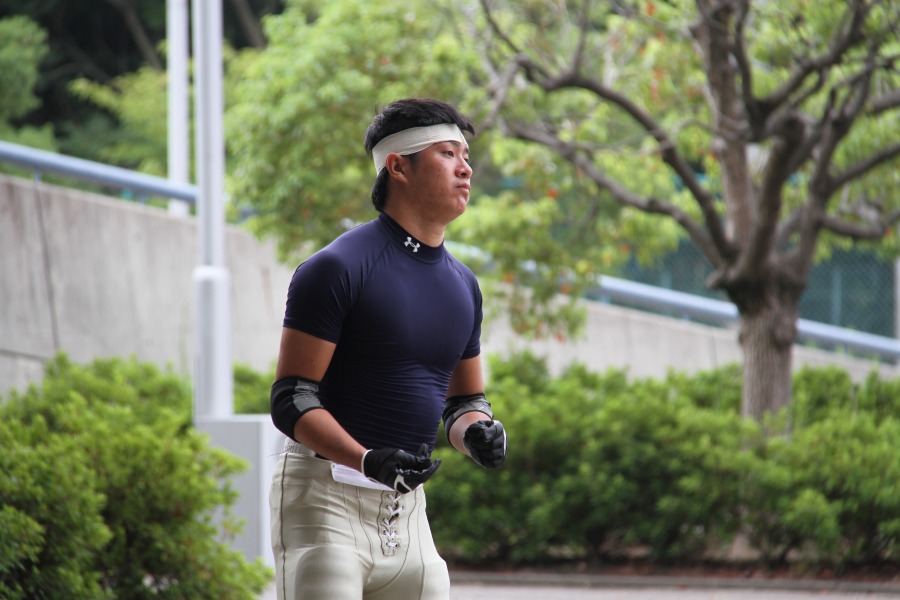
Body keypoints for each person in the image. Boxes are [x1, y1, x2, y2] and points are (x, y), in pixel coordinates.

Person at [268, 98, 508, 600]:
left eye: (466, 156)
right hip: (324, 501)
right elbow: (292, 399)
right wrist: (366, 459)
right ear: (398, 167)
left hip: (409, 513)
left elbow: (464, 403)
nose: (465, 168)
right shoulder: (335, 268)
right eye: (448, 154)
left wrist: (477, 432)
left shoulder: (464, 286)